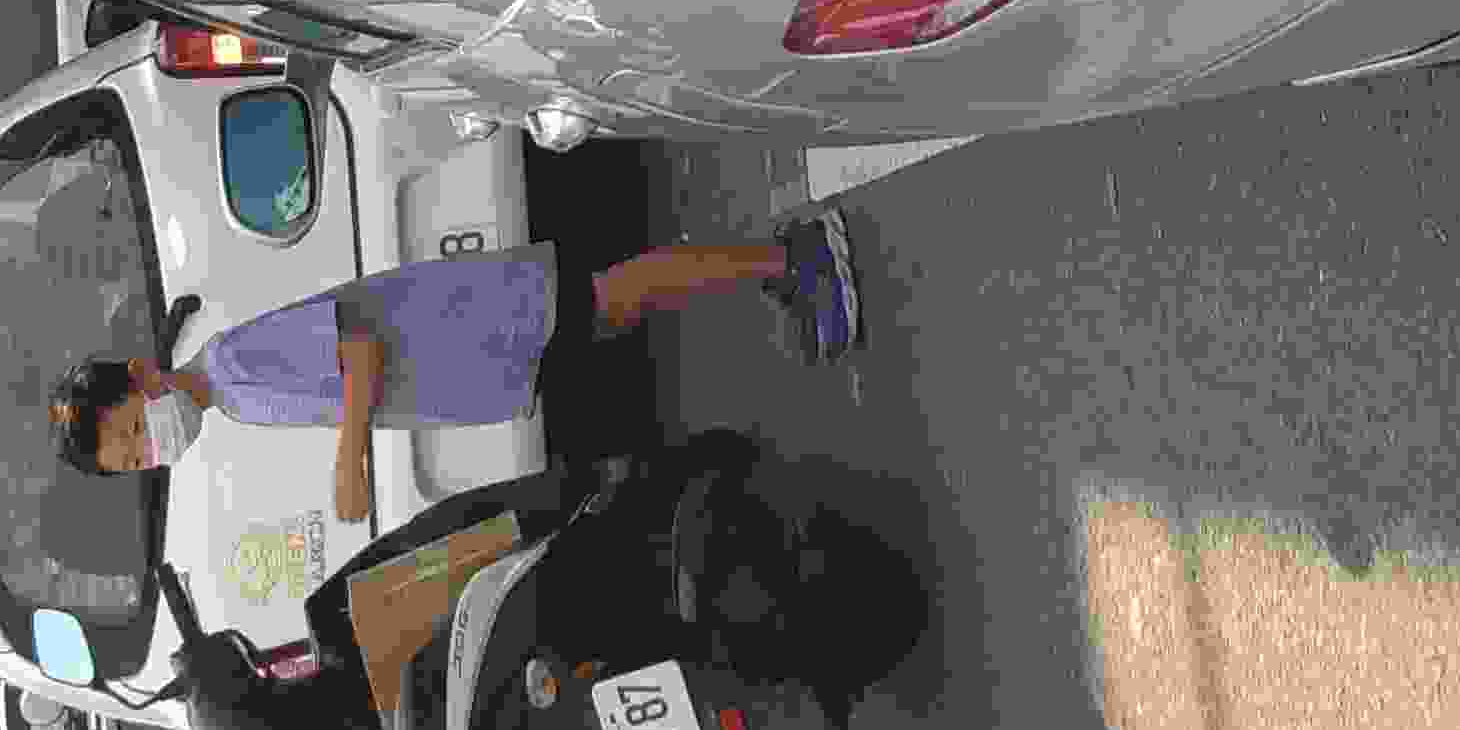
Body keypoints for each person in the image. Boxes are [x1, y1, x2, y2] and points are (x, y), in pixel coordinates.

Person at [55, 214, 863, 524]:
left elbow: (358, 349)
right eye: (137, 459)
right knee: (623, 303)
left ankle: (793, 257)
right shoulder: (231, 401)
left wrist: (349, 462)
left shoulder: (231, 365)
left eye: (134, 432)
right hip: (480, 351)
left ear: (145, 378)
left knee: (621, 292)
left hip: (477, 322)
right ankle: (770, 265)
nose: (152, 450)